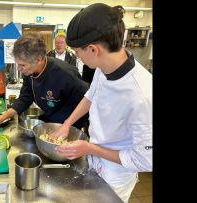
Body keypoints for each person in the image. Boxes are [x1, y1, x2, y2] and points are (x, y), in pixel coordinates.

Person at [49, 3, 152, 203]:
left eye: (77, 52)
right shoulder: (103, 68)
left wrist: (90, 148)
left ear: (93, 49)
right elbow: (90, 95)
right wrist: (66, 125)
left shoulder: (142, 95)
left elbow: (145, 160)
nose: (77, 56)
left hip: (116, 175)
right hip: (93, 160)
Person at [0, 33, 88, 130]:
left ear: (39, 59)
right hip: (49, 121)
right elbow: (25, 98)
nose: (19, 69)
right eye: (18, 64)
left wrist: (67, 126)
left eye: (22, 65)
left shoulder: (66, 74)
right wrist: (3, 117)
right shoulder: (29, 72)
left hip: (69, 126)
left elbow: (88, 100)